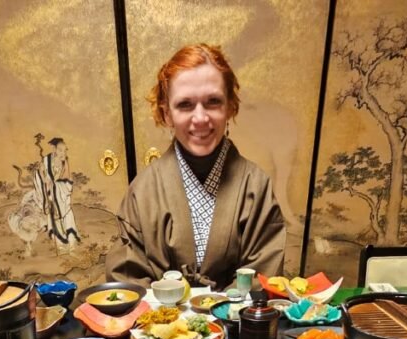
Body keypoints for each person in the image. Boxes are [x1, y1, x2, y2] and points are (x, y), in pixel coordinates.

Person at [106, 44, 285, 290]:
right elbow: (127, 280)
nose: (200, 118)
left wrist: (217, 307)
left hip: (236, 314)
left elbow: (263, 276)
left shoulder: (255, 185)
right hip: (160, 314)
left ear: (230, 106)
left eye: (213, 102)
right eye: (185, 105)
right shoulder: (142, 190)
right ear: (166, 114)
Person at [34, 138, 80, 248]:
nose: (63, 153)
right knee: (53, 212)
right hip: (49, 189)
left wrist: (58, 183)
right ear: (54, 149)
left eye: (65, 150)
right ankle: (58, 240)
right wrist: (44, 178)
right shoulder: (46, 160)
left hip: (59, 188)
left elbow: (67, 176)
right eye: (60, 150)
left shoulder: (65, 161)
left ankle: (70, 237)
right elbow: (40, 173)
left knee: (66, 210)